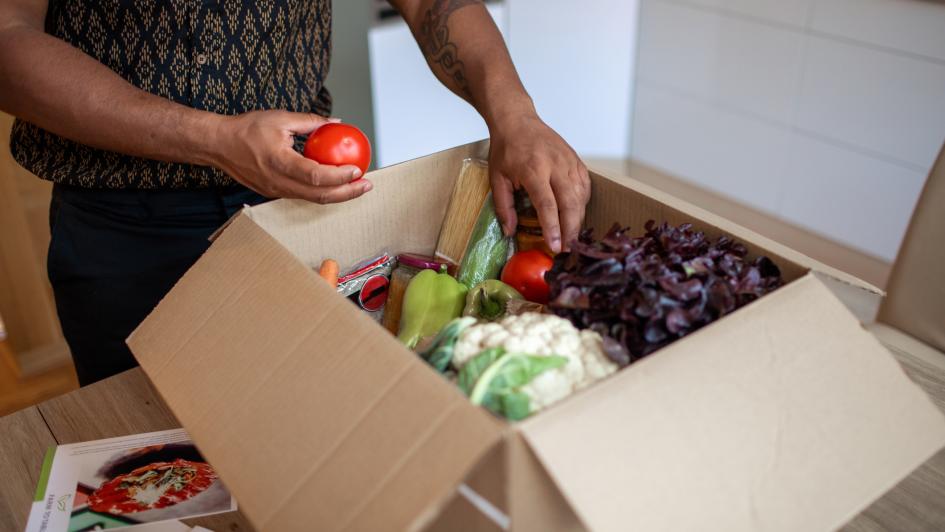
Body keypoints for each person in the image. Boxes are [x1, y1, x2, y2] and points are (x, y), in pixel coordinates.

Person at [0, 0, 591, 386]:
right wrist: (213, 138)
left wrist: (514, 113)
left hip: (305, 210)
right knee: (153, 466)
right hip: (125, 229)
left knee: (320, 425)